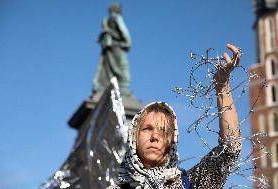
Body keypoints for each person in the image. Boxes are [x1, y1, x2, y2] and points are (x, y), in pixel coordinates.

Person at [107, 44, 242, 189]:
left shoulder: (189, 183)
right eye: (147, 128)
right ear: (134, 136)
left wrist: (222, 86)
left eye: (164, 131)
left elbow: (230, 149)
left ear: (172, 141)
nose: (155, 136)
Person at [93, 3, 132, 96]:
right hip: (117, 46)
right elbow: (124, 31)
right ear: (117, 9)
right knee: (122, 68)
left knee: (108, 69)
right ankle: (122, 88)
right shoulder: (116, 18)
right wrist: (127, 42)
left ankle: (107, 88)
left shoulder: (105, 20)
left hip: (108, 47)